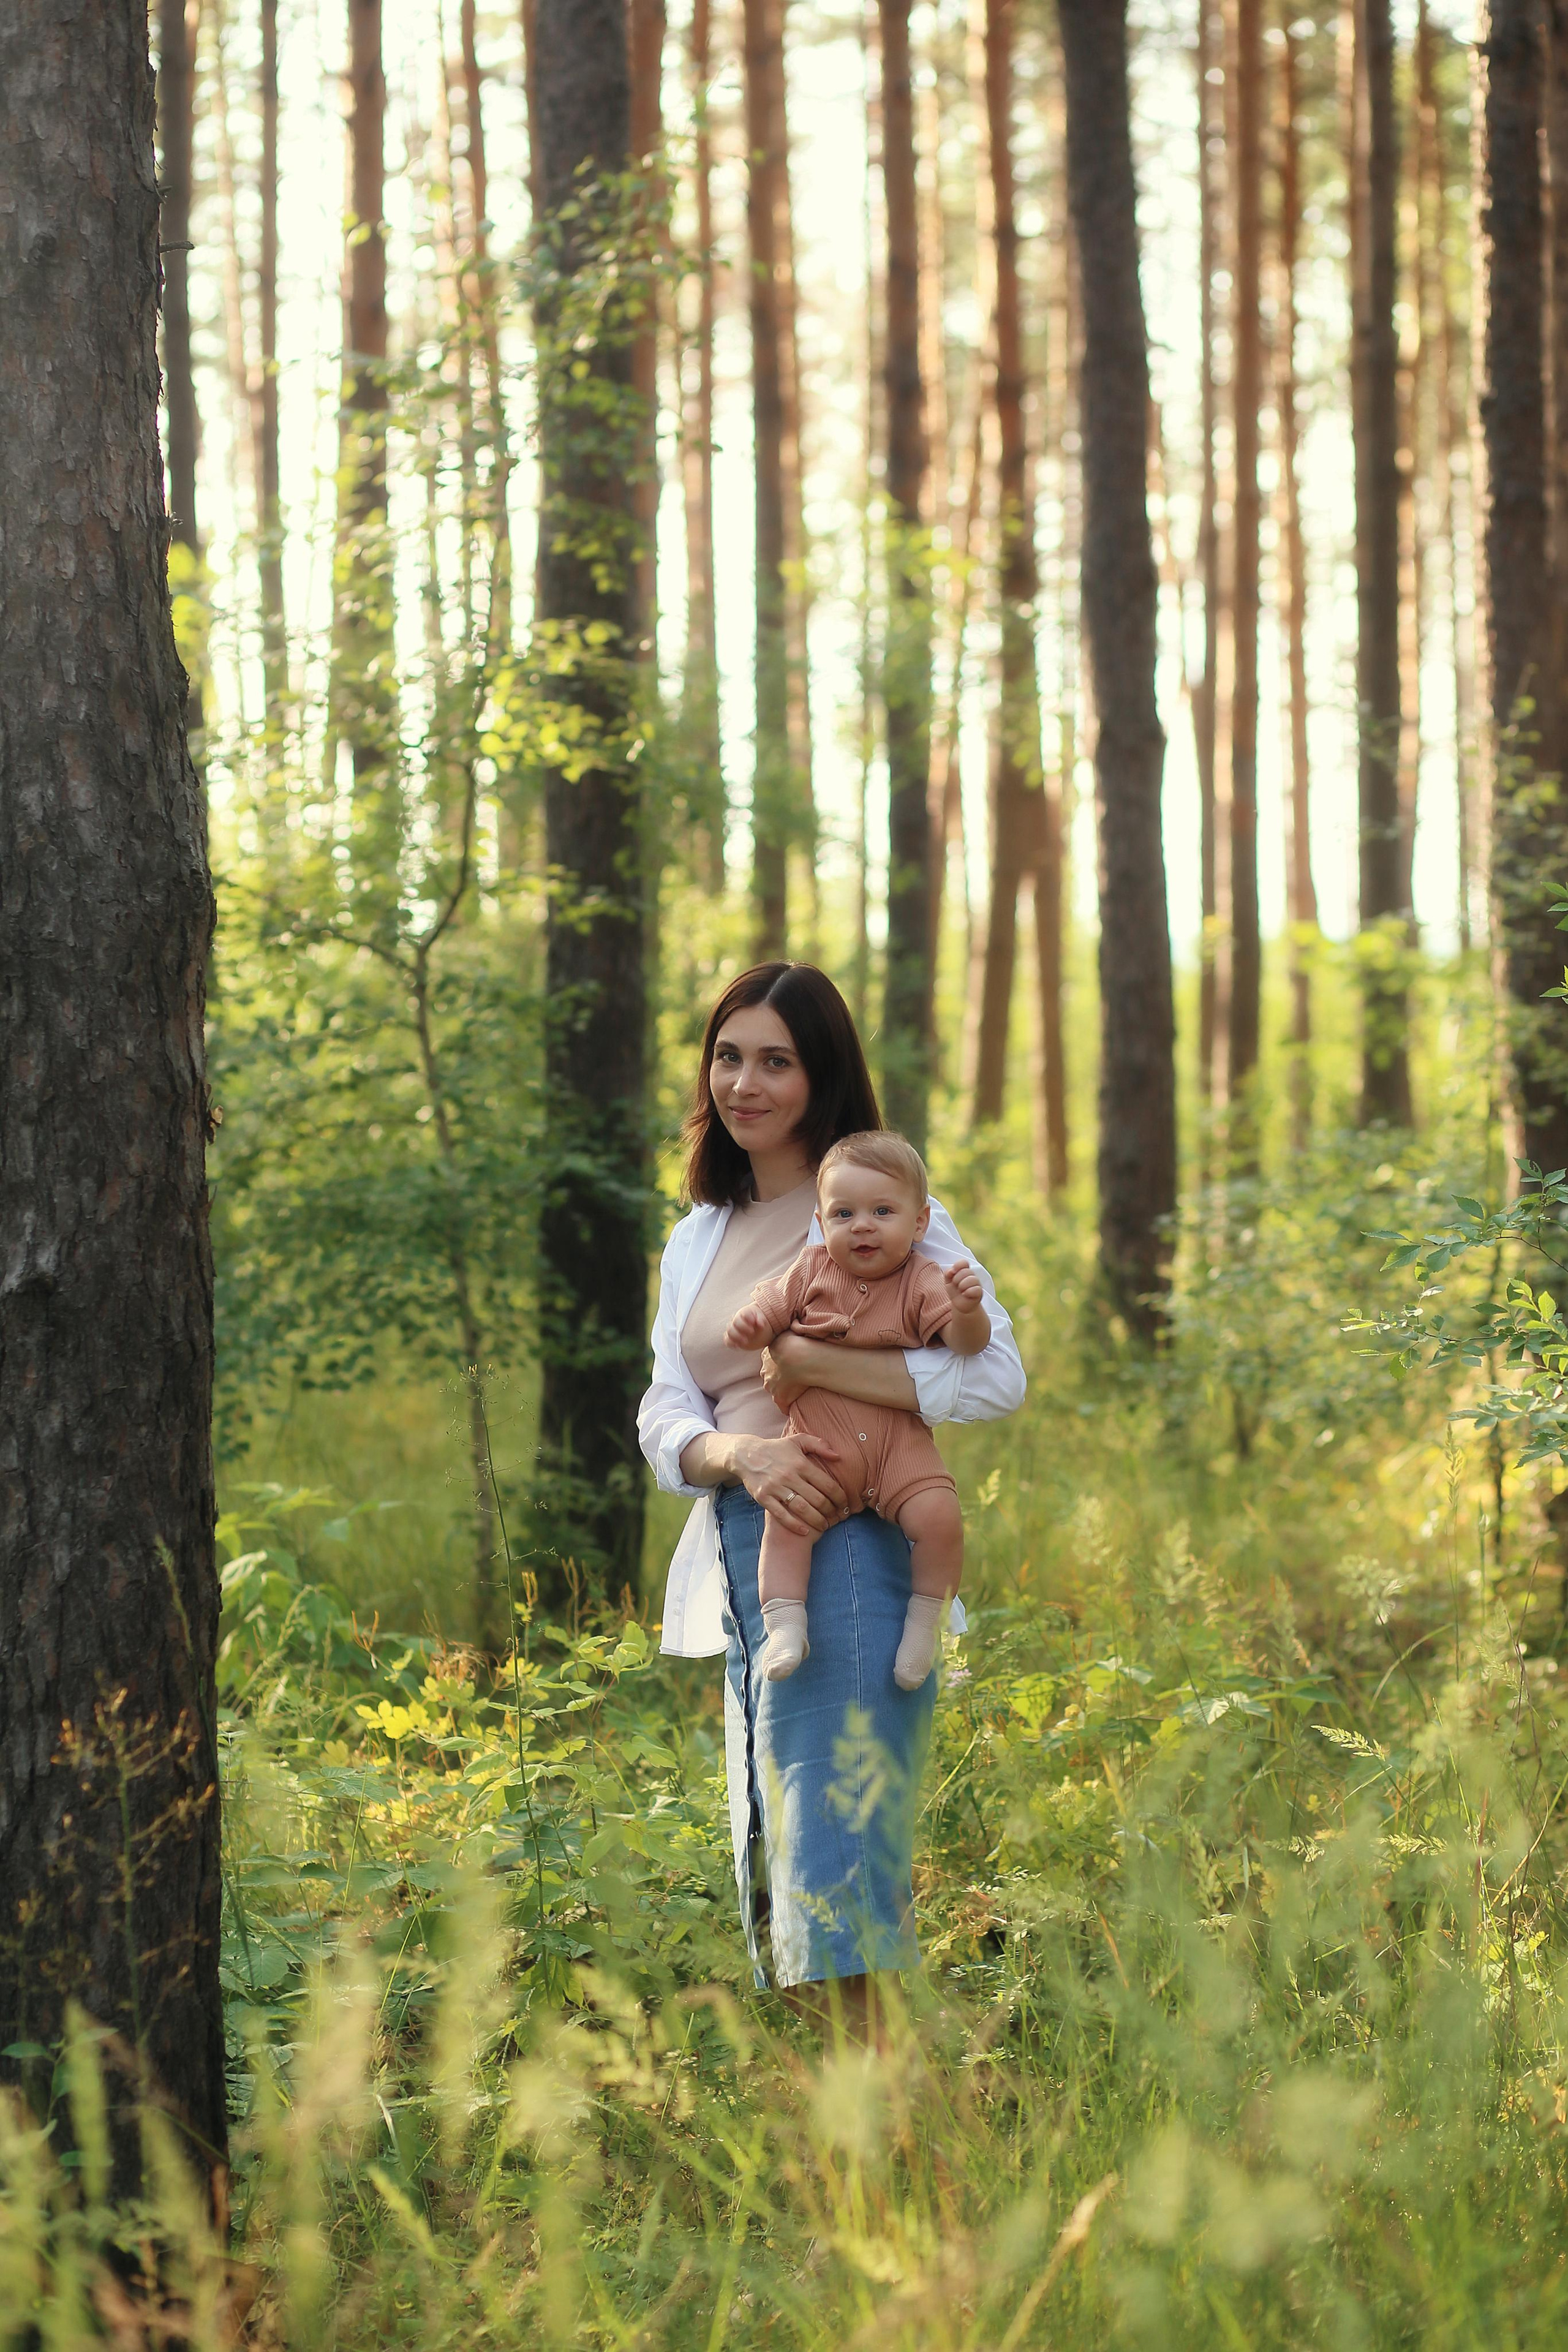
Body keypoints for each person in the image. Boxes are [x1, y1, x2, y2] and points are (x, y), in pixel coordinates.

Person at [638, 962, 1025, 2003]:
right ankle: (845, 2139)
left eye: (778, 1061)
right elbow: (666, 1410)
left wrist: (819, 1371)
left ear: (823, 1077)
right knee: (778, 1863)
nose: (745, 1084)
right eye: (728, 1057)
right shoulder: (697, 1238)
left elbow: (995, 1377)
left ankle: (894, 2133)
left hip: (853, 1545)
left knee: (835, 1857)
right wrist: (743, 1457)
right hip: (754, 1553)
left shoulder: (870, 1208)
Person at [723, 1130, 992, 1692]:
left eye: (882, 1211)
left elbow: (967, 1348)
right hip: (821, 1447)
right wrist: (753, 1323)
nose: (862, 1225)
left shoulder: (922, 1279)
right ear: (821, 1224)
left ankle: (925, 1627)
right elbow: (768, 1305)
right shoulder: (809, 1270)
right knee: (789, 1521)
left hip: (902, 1450)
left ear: (919, 1224)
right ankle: (785, 1625)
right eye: (843, 1213)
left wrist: (968, 1310)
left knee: (940, 1519)